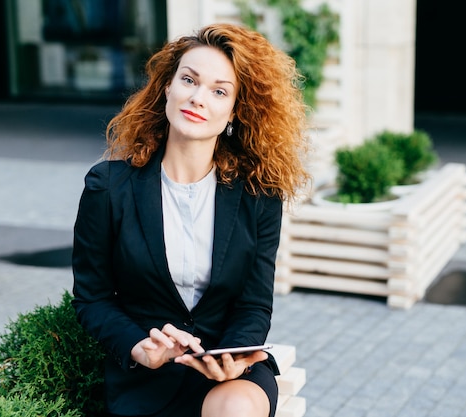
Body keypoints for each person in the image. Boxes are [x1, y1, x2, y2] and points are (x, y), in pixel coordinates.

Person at [71, 23, 309, 417]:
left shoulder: (259, 196)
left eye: (219, 91)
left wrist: (235, 357)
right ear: (167, 87)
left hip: (228, 373)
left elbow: (253, 304)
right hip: (145, 375)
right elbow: (92, 297)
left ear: (235, 110)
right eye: (189, 80)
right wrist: (138, 347)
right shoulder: (108, 187)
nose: (198, 98)